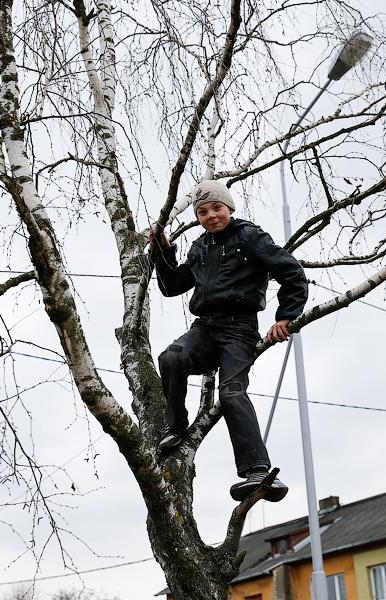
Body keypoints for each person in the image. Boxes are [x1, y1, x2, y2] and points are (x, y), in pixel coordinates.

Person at [149, 179, 308, 502]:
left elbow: (290, 271)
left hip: (238, 329)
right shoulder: (199, 247)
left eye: (217, 208)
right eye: (203, 212)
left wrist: (285, 317)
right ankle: (175, 428)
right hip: (204, 329)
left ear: (230, 208)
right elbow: (171, 286)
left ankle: (257, 470)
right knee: (171, 357)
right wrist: (162, 249)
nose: (211, 216)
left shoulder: (250, 236)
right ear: (197, 217)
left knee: (232, 392)